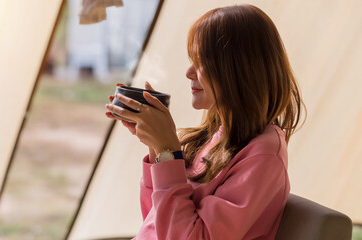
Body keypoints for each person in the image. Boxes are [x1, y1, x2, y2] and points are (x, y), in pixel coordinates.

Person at [105, 4, 304, 240]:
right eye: (192, 59)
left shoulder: (264, 155)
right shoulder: (214, 138)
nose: (189, 72)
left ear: (238, 69)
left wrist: (168, 152)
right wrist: (156, 148)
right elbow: (155, 224)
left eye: (202, 61)